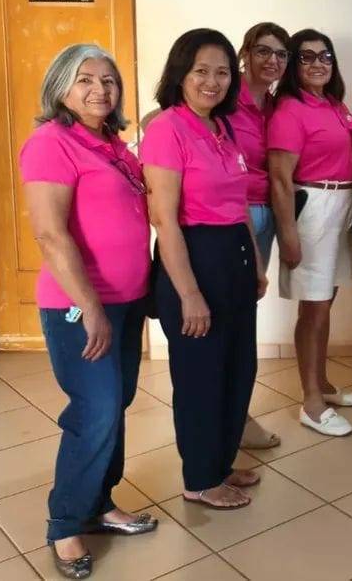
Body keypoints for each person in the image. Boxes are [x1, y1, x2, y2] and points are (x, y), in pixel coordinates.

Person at [20, 44, 157, 579]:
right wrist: (91, 307)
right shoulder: (50, 143)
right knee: (95, 409)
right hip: (81, 306)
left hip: (125, 302)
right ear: (60, 87)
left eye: (109, 81)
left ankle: (99, 503)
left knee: (116, 402)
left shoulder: (114, 147)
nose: (100, 90)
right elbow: (50, 234)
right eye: (85, 80)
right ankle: (65, 523)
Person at [141, 29, 266, 511]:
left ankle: (219, 461)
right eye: (200, 71)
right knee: (201, 377)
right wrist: (189, 293)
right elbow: (164, 220)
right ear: (180, 73)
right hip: (193, 260)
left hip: (233, 257)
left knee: (239, 367)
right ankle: (199, 478)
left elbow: (238, 205)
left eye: (221, 71)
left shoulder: (223, 126)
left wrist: (254, 262)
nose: (212, 81)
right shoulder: (167, 129)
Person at [269, 29, 352, 436]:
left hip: (342, 205)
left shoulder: (335, 105)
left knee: (327, 301)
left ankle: (322, 383)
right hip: (312, 209)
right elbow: (279, 179)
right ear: (293, 64)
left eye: (325, 56)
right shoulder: (290, 109)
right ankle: (310, 401)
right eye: (306, 57)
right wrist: (289, 234)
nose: (318, 64)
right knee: (314, 309)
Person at [228, 22, 289, 450]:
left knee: (246, 312)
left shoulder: (276, 105)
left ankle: (236, 414)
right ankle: (231, 418)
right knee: (231, 320)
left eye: (281, 54)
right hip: (235, 216)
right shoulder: (224, 99)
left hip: (266, 213)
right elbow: (159, 117)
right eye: (264, 51)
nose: (273, 60)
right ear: (245, 53)